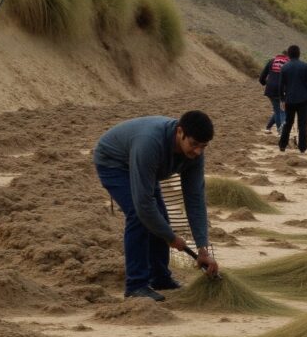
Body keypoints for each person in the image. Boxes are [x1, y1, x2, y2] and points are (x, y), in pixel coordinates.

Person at [93, 111, 220, 300]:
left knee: (159, 218)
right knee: (139, 216)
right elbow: (143, 205)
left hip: (147, 166)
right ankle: (136, 286)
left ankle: (160, 278)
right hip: (115, 163)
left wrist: (202, 249)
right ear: (180, 132)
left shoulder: (195, 154)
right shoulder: (150, 143)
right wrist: (170, 237)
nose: (197, 151)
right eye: (194, 144)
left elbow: (195, 199)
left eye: (203, 146)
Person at [274, 45, 307, 152]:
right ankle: (302, 147)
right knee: (302, 124)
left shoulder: (285, 67)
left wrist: (282, 99)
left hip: (289, 99)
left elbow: (281, 85)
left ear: (289, 54)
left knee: (288, 122)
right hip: (303, 100)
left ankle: (282, 145)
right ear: (299, 54)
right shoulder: (305, 66)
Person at [260, 48, 291, 132]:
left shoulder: (271, 61)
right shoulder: (289, 64)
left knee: (277, 109)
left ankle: (268, 127)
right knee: (282, 111)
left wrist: (266, 83)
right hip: (283, 90)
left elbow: (262, 77)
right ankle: (281, 132)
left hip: (270, 89)